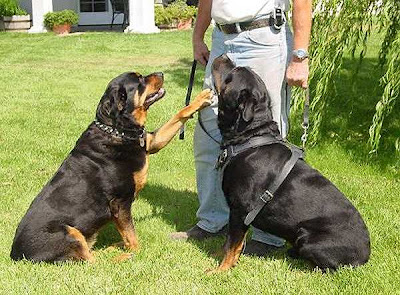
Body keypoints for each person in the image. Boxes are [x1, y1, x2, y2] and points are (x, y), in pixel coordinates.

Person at [170, 0, 312, 256]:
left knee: (267, 142)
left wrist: (300, 56)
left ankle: (268, 235)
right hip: (222, 38)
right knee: (208, 137)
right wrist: (197, 37)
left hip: (264, 38)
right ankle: (213, 220)